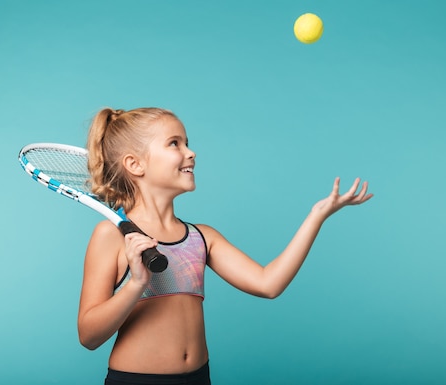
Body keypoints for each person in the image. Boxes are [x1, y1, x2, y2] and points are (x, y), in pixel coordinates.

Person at [77, 107, 374, 385]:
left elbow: (268, 284)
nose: (190, 153)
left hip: (199, 377)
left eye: (187, 143)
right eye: (174, 144)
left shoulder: (202, 237)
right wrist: (136, 283)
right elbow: (89, 336)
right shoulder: (112, 236)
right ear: (135, 164)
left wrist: (317, 216)